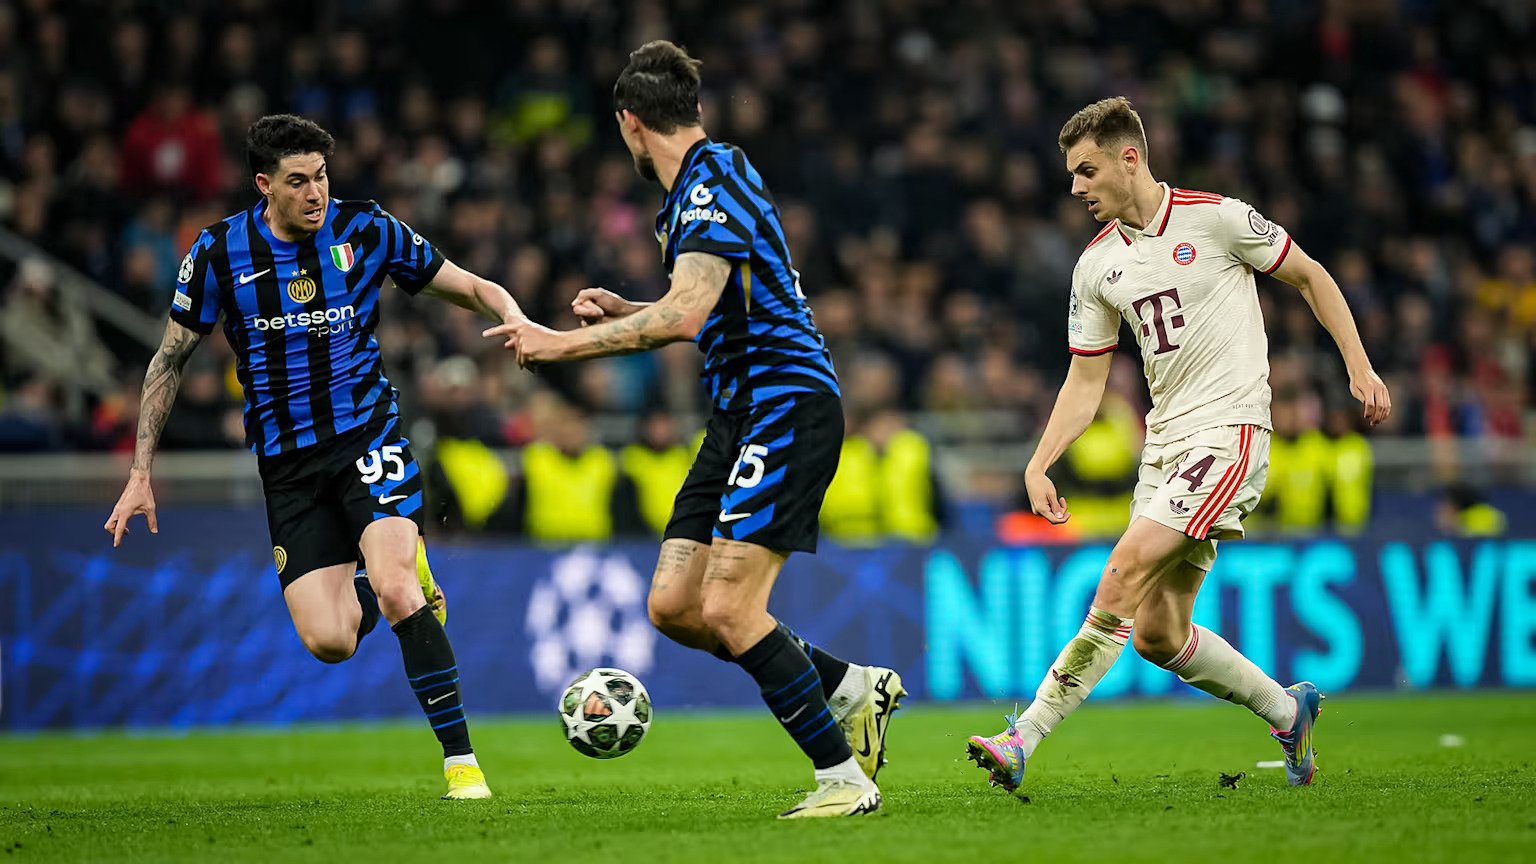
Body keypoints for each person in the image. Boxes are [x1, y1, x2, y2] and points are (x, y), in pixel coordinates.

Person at [486, 41, 904, 819]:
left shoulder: (711, 181)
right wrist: (629, 311)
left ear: (630, 124)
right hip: (739, 413)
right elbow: (703, 306)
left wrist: (559, 343)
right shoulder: (694, 194)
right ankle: (849, 686)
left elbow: (684, 315)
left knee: (730, 608)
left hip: (785, 402)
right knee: (675, 604)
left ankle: (843, 780)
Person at [964, 97, 1391, 793]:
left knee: (1122, 572)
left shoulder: (1217, 219)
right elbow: (1085, 379)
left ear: (1129, 159)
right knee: (1159, 634)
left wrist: (1359, 367)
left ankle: (1023, 737)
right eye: (1072, 175)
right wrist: (1039, 462)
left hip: (1229, 432)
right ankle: (1289, 714)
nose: (1075, 188)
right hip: (1164, 447)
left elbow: (1310, 275)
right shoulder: (1096, 267)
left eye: (1086, 171)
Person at [103, 114, 527, 800]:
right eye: (298, 181)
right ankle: (388, 575)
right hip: (288, 468)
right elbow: (168, 360)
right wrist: (140, 472)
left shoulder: (367, 229)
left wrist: (517, 318)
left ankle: (461, 763)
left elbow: (470, 285)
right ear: (264, 185)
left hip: (369, 439)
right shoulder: (218, 252)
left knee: (397, 589)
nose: (315, 193)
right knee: (330, 640)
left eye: (322, 177)